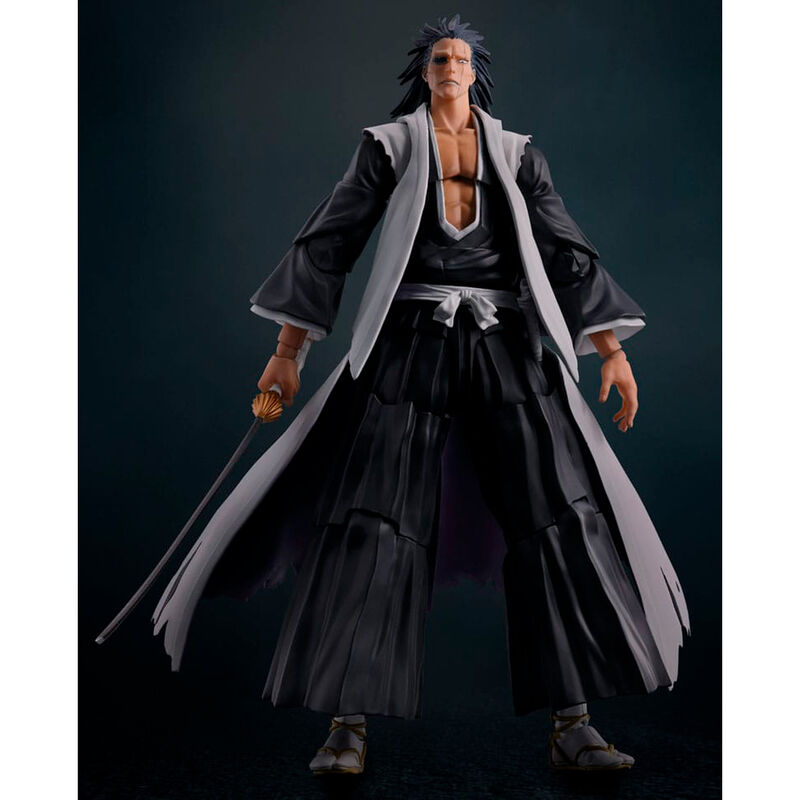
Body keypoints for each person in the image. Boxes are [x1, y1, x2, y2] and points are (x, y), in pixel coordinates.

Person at [152, 15, 689, 776]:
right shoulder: (391, 147)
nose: (449, 66)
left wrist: (612, 351)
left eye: (461, 58)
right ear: (424, 70)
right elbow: (330, 241)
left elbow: (565, 248)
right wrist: (286, 353)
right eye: (439, 57)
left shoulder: (516, 154)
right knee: (374, 518)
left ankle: (574, 724)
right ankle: (346, 727)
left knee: (557, 511)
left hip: (504, 343)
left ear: (476, 73)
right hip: (409, 340)